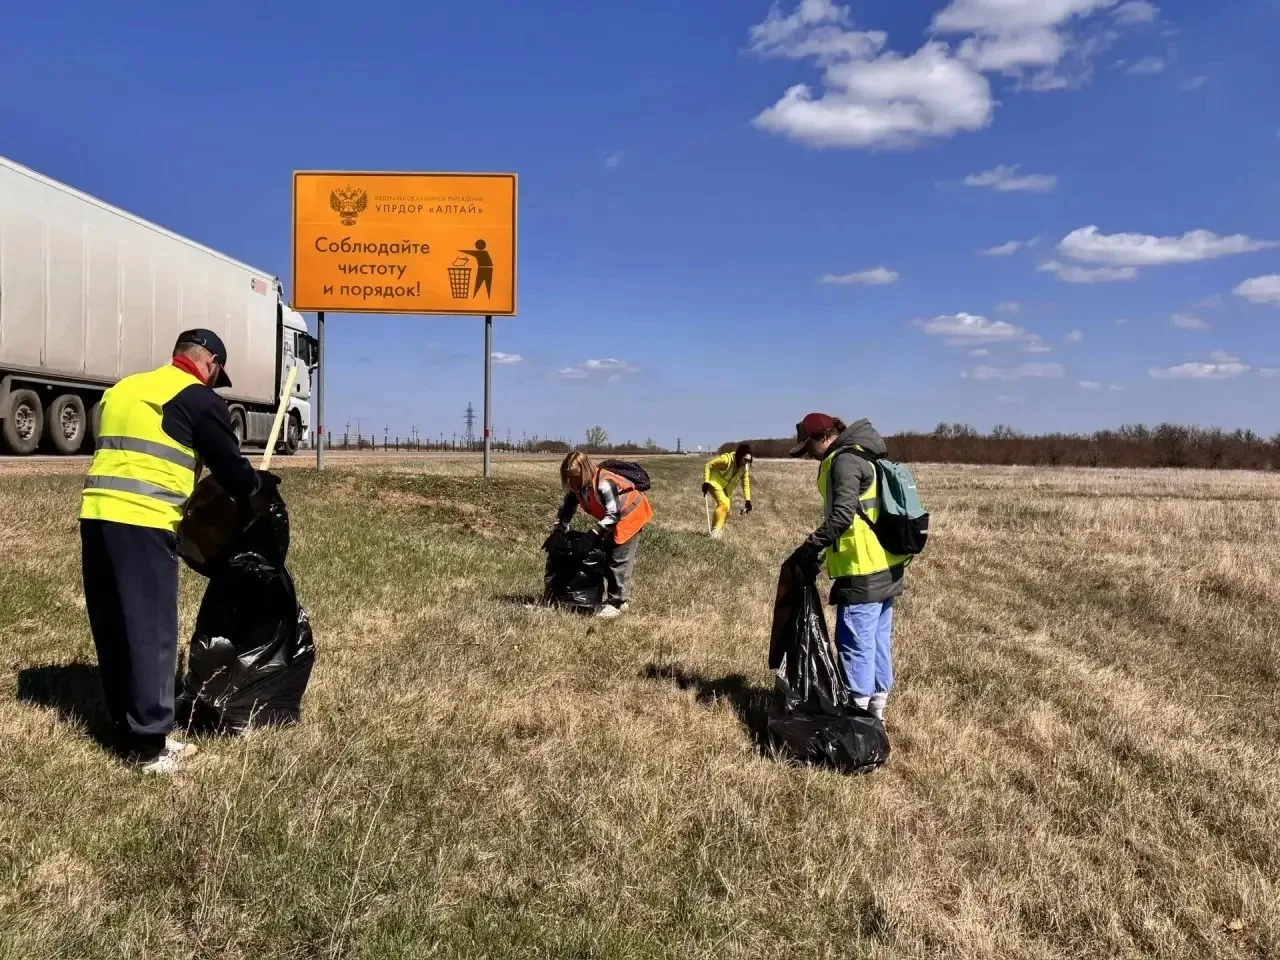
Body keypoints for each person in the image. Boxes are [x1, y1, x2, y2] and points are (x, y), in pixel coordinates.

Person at [79, 329, 278, 773]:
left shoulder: (123, 390)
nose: (213, 383)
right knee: (151, 631)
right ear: (210, 364)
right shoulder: (198, 399)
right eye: (216, 376)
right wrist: (259, 488)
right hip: (144, 521)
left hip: (95, 515)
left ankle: (125, 726)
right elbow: (233, 473)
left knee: (115, 626)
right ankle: (149, 746)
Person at [787, 414, 907, 722]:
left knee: (855, 642)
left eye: (808, 447)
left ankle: (857, 716)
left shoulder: (844, 461)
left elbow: (842, 516)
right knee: (877, 641)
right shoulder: (864, 453)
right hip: (886, 565)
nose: (808, 455)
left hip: (862, 568)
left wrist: (812, 544)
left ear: (823, 437)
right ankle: (876, 713)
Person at [545, 451, 653, 618]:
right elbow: (566, 510)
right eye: (569, 477)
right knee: (606, 553)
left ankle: (618, 603)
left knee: (619, 557)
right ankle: (613, 598)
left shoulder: (604, 484)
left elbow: (613, 515)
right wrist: (557, 532)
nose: (573, 481)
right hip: (614, 516)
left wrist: (593, 534)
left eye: (576, 476)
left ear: (585, 471)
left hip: (630, 514)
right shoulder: (576, 486)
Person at [702, 443, 753, 538]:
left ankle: (717, 530)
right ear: (739, 455)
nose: (746, 463)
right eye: (745, 460)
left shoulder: (744, 468)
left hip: (726, 489)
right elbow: (708, 466)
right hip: (715, 483)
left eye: (748, 461)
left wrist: (748, 500)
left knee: (727, 508)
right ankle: (715, 532)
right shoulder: (726, 460)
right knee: (723, 504)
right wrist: (706, 482)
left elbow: (745, 484)